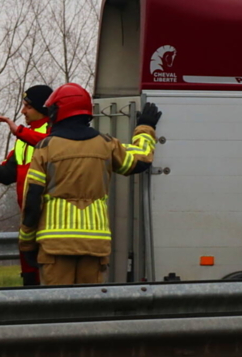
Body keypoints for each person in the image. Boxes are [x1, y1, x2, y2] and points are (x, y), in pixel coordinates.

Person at [17, 83, 161, 286]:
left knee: (58, 307)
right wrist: (145, 127)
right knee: (90, 309)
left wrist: (27, 245)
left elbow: (32, 200)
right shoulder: (106, 144)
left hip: (55, 246)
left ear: (59, 111)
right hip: (94, 245)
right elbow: (141, 160)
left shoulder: (45, 147)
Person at [0, 84, 52, 285]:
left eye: (28, 106)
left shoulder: (52, 131)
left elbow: (49, 144)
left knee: (49, 277)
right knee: (30, 276)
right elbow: (8, 175)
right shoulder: (23, 138)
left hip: (49, 219)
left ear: (42, 108)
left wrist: (19, 131)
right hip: (28, 217)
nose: (23, 111)